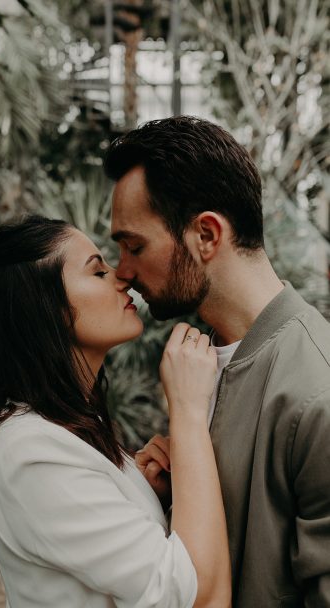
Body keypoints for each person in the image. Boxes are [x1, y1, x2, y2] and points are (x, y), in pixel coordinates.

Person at [104, 115, 330, 608]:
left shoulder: (318, 393)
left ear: (206, 234)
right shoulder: (198, 358)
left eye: (134, 245)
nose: (122, 271)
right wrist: (166, 500)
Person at [0, 215, 231, 608]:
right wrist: (187, 411)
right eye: (98, 271)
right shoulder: (29, 453)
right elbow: (201, 596)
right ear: (46, 308)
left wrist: (152, 497)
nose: (122, 278)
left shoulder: (68, 427)